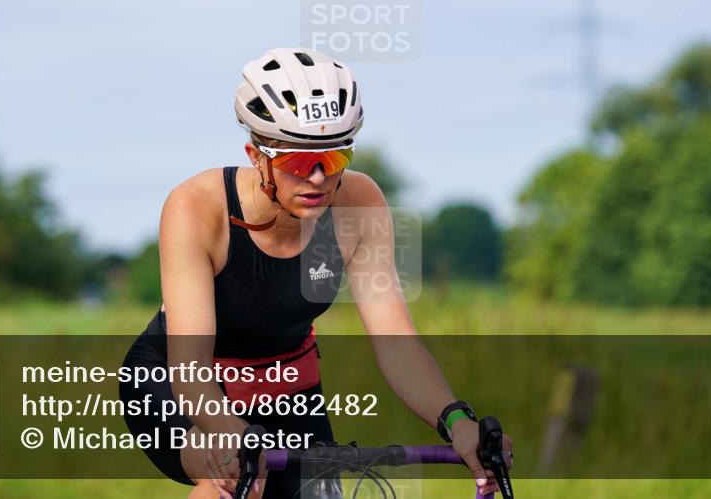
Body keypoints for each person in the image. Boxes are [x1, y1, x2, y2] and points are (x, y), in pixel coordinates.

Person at [120, 48, 512, 498]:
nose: (319, 179)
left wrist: (457, 420)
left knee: (317, 491)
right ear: (256, 155)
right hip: (181, 385)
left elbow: (397, 343)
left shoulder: (357, 204)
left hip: (287, 380)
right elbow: (189, 367)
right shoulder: (197, 206)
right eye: (299, 163)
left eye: (335, 159)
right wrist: (234, 435)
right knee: (232, 479)